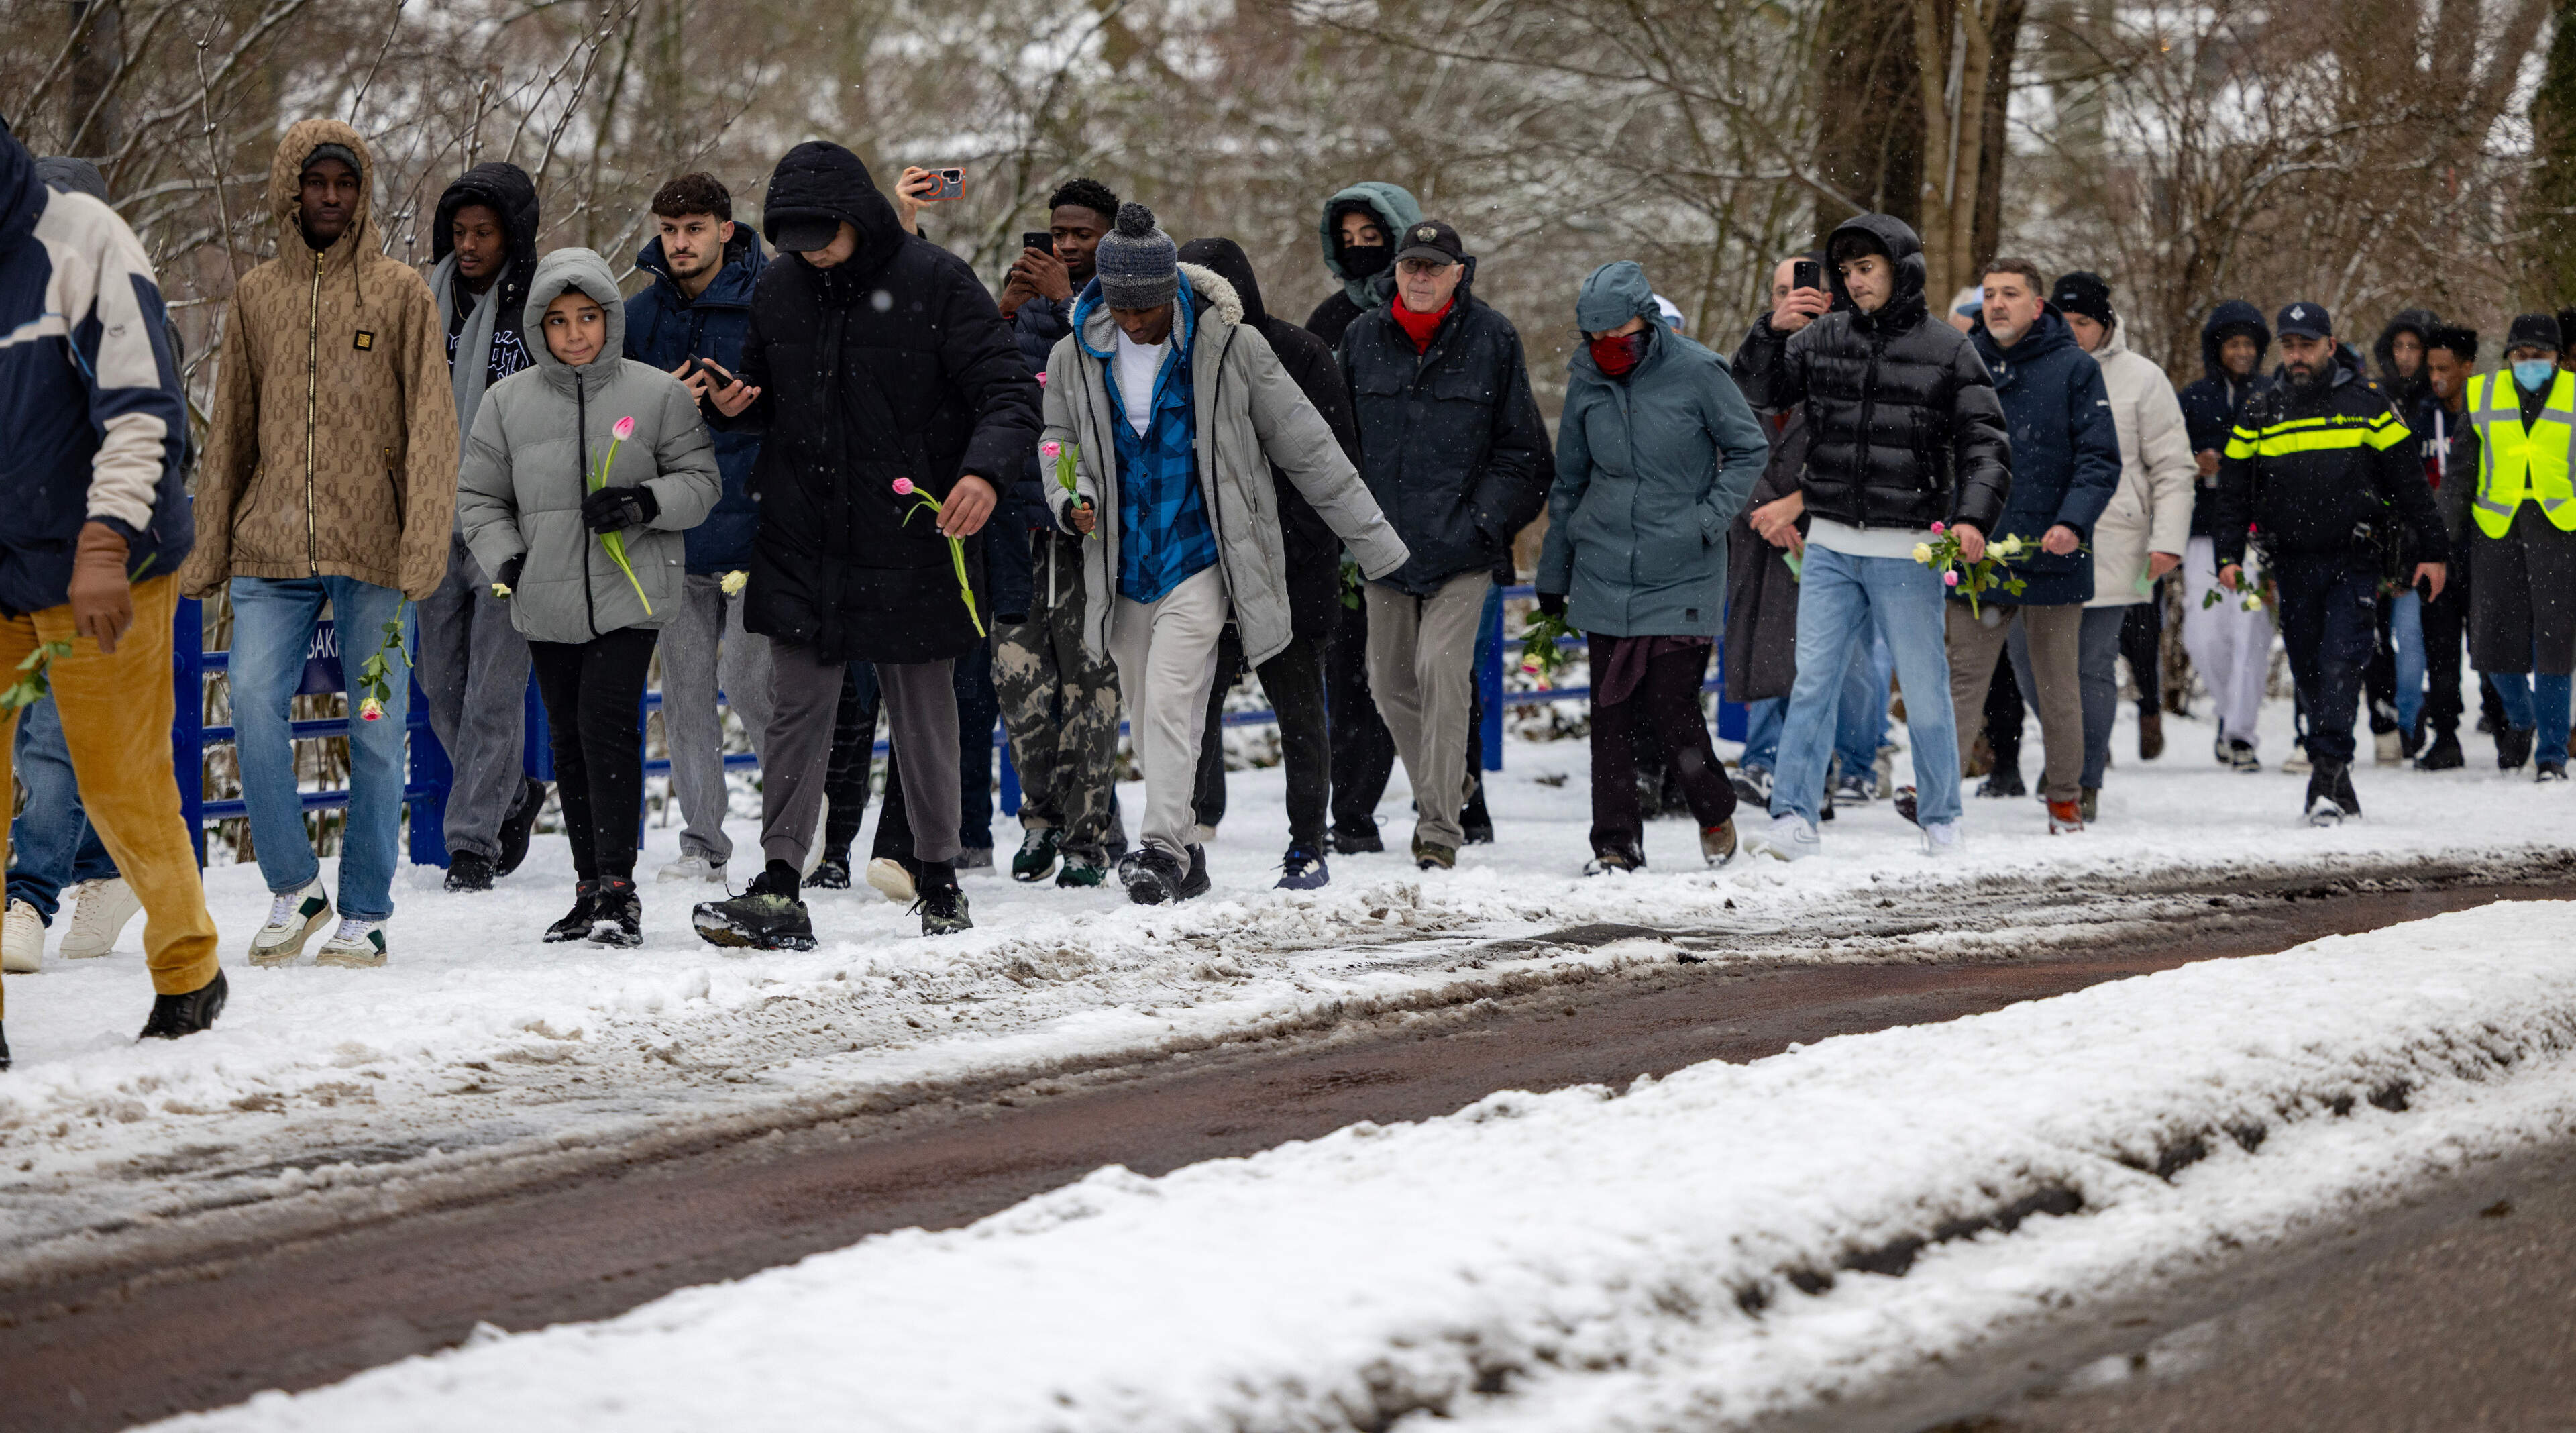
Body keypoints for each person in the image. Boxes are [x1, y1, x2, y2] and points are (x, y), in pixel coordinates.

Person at [686, 142, 1038, 945]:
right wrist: (736, 407)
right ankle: (780, 882)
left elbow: (1010, 393)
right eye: (797, 242)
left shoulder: (937, 282)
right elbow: (765, 395)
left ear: (857, 217)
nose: (812, 255)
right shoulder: (779, 289)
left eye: (824, 239)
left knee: (924, 711)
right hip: (805, 534)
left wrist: (982, 475)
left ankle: (940, 878)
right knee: (796, 711)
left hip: (915, 533)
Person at [1044, 205, 1407, 903]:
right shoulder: (1075, 356)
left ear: (1170, 289)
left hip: (1200, 555)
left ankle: (1161, 848)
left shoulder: (1231, 347)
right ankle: (1186, 853)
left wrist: (1376, 544)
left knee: (1175, 701)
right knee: (1149, 714)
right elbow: (1058, 442)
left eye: (1148, 305)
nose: (1135, 320)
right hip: (1121, 563)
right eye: (1121, 305)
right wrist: (1070, 498)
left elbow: (1308, 445)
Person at [178, 119, 456, 968]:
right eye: (315, 182)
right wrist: (209, 547)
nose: (330, 197)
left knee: (374, 727)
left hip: (375, 556)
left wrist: (423, 545)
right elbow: (229, 434)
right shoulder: (258, 296)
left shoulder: (402, 292)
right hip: (269, 553)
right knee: (252, 702)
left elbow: (432, 427)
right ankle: (294, 888)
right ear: (291, 190)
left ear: (362, 191)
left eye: (345, 182)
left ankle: (366, 912)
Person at [0, 118, 225, 1063]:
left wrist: (102, 543)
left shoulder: (80, 238)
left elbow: (142, 407)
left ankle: (187, 967)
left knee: (119, 779)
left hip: (109, 557)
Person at [457, 248, 721, 943]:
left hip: (630, 592)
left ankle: (618, 890)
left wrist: (642, 502)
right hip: (543, 596)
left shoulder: (657, 394)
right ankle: (587, 887)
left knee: (608, 727)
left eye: (589, 317)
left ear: (610, 318)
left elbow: (701, 484)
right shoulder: (505, 403)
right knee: (569, 739)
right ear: (540, 328)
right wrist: (507, 558)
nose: (575, 333)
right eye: (559, 320)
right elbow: (478, 497)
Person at [1733, 213, 2012, 861]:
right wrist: (1769, 333)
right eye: (1849, 272)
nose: (1857, 283)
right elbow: (1756, 390)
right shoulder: (1820, 336)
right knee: (1813, 684)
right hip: (1829, 543)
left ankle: (1942, 817)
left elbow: (1987, 444)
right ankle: (1795, 817)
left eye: (1869, 269)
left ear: (1901, 270)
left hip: (1907, 547)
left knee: (1925, 687)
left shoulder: (1949, 349)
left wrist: (1972, 518)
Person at [1535, 260, 1766, 872]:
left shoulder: (1698, 372)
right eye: (1594, 339)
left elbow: (1748, 449)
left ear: (1648, 320)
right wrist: (1553, 573)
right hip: (1605, 561)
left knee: (1670, 703)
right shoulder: (1587, 380)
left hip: (1683, 563)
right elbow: (1569, 483)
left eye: (1619, 337)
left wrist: (1707, 519)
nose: (1607, 350)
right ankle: (1615, 845)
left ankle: (1713, 808)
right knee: (1610, 713)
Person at [1338, 218, 1550, 871]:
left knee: (1441, 674)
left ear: (1461, 274)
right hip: (1383, 549)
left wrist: (1482, 523)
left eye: (1435, 266)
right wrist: (1354, 525)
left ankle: (1438, 828)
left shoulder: (1493, 339)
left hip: (1464, 551)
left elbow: (1526, 456)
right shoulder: (1361, 339)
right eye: (1411, 266)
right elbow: (1334, 444)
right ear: (1395, 273)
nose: (1421, 277)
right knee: (1388, 681)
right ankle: (1446, 785)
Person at [2214, 303, 2447, 824]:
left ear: (2330, 347)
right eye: (2290, 345)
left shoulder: (2367, 404)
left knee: (2343, 662)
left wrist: (2433, 551)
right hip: (2292, 564)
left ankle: (2324, 773)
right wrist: (2227, 555)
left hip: (2354, 559)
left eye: (2308, 345)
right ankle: (2337, 776)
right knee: (2310, 670)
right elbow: (2233, 490)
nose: (2298, 355)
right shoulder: (2260, 409)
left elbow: (2410, 485)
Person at [1, 156, 148, 976]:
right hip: (22, 559)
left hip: (96, 560)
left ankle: (28, 897)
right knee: (71, 740)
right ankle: (103, 870)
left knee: (53, 741)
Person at [1179, 236, 1357, 888]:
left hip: (1292, 573)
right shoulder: (1178, 365)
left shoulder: (1300, 355)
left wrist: (1278, 550)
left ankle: (1307, 844)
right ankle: (1185, 844)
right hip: (1207, 571)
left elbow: (1331, 467)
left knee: (1301, 713)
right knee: (1191, 713)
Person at [623, 172, 775, 887]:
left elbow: (806, 402)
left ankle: (791, 832)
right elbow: (611, 423)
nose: (679, 243)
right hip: (674, 529)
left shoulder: (773, 299)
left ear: (724, 229)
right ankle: (702, 844)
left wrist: (752, 406)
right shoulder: (636, 315)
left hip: (760, 523)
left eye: (693, 229)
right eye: (669, 229)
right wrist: (661, 409)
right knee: (684, 695)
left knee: (751, 684)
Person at [1945, 259, 2120, 834]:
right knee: (1962, 678)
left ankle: (2067, 796)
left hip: (2051, 549)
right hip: (1978, 547)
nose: (1996, 304)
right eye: (1989, 294)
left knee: (2056, 681)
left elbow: (2099, 459)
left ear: (2036, 306)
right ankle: (1938, 799)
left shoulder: (2074, 368)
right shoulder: (1960, 363)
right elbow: (1941, 454)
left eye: (2010, 295)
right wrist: (1949, 519)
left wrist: (2073, 522)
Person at [994, 178, 1128, 889]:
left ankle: (1088, 838)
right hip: (1016, 521)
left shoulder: (1125, 301)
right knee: (1022, 687)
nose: (1067, 246)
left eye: (1083, 235)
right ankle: (1039, 822)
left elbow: (1122, 376)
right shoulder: (1019, 304)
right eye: (1059, 234)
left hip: (1089, 526)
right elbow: (980, 387)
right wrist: (1005, 311)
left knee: (1091, 688)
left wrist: (1063, 301)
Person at [419, 160, 546, 893]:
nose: (469, 246)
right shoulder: (420, 300)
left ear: (512, 235)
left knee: (496, 690)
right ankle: (516, 791)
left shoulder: (536, 308)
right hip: (431, 516)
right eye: (460, 232)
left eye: (484, 232)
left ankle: (472, 846)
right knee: (442, 686)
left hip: (508, 520)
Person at [2051, 270, 2193, 820]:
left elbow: (2174, 469)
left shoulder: (2142, 379)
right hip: (2042, 539)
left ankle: (2084, 778)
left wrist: (2167, 540)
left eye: (2082, 323)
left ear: (2105, 324)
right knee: (2028, 662)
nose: (2071, 333)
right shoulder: (2035, 371)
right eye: (2061, 322)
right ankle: (2076, 746)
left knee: (2091, 665)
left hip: (2117, 541)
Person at [2459, 313, 2576, 780]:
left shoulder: (2573, 393)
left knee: (2554, 645)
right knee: (2494, 643)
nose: (2530, 364)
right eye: (2521, 356)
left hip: (2558, 528)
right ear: (2509, 356)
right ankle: (2521, 716)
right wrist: (2441, 532)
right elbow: (2462, 471)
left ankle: (2551, 754)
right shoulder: (2480, 394)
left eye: (2540, 356)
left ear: (2558, 358)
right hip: (2496, 529)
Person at [2175, 301, 2275, 772]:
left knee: (2250, 632)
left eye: (2249, 345)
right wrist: (2195, 463)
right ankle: (2227, 712)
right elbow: (2166, 458)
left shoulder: (2274, 395)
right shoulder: (2193, 399)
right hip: (2202, 531)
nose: (2241, 352)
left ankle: (2240, 735)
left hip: (2255, 536)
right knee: (2203, 637)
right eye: (2233, 344)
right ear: (2217, 349)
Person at [2412, 324, 2480, 770]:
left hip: (2483, 545)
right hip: (2435, 549)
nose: (2436, 377)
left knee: (2489, 643)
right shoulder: (2420, 417)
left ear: (2468, 368)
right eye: (2431, 368)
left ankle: (2504, 719)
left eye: (2445, 368)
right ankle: (2446, 735)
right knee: (2439, 647)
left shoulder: (2491, 412)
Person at [1306, 181, 1421, 350]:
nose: (1357, 247)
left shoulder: (1437, 308)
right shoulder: (1330, 316)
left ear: (1399, 239)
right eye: (1348, 240)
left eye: (1370, 237)